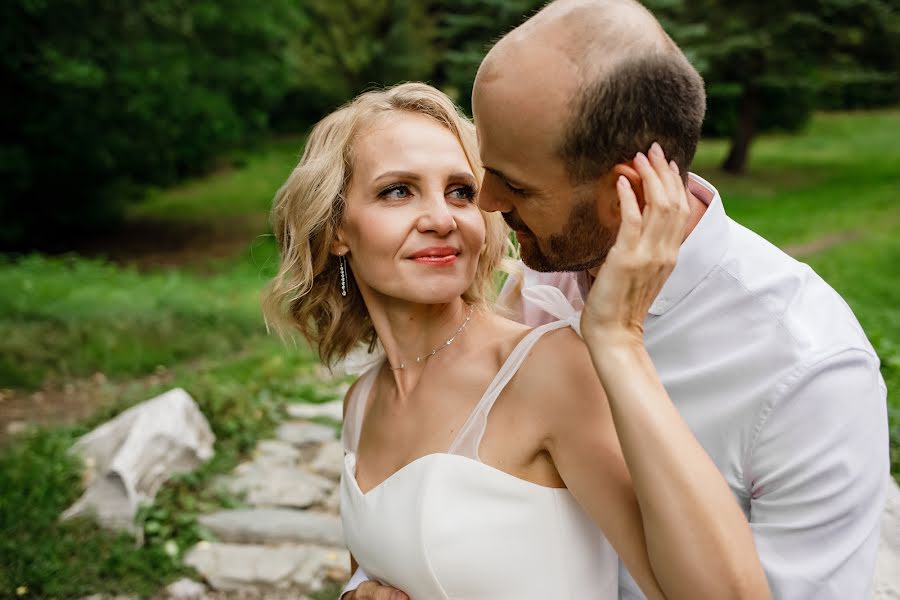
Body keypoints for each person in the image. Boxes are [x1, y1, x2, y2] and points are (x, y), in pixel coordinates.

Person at [341, 1, 889, 599]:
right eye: (486, 173)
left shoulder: (808, 372)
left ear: (623, 192)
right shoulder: (542, 275)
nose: (488, 203)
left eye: (515, 185)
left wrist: (619, 345)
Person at [264, 81, 771, 600]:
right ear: (336, 231)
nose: (442, 219)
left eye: (461, 191)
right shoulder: (361, 403)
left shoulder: (547, 370)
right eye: (398, 191)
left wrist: (618, 340)